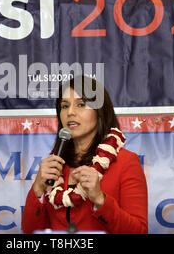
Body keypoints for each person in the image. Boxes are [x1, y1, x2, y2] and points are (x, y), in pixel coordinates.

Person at [21, 75, 148, 234]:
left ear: (99, 112)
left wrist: (100, 200)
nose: (71, 112)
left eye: (81, 104)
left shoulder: (126, 162)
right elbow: (30, 232)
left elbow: (139, 232)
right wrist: (38, 188)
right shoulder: (56, 164)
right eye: (65, 106)